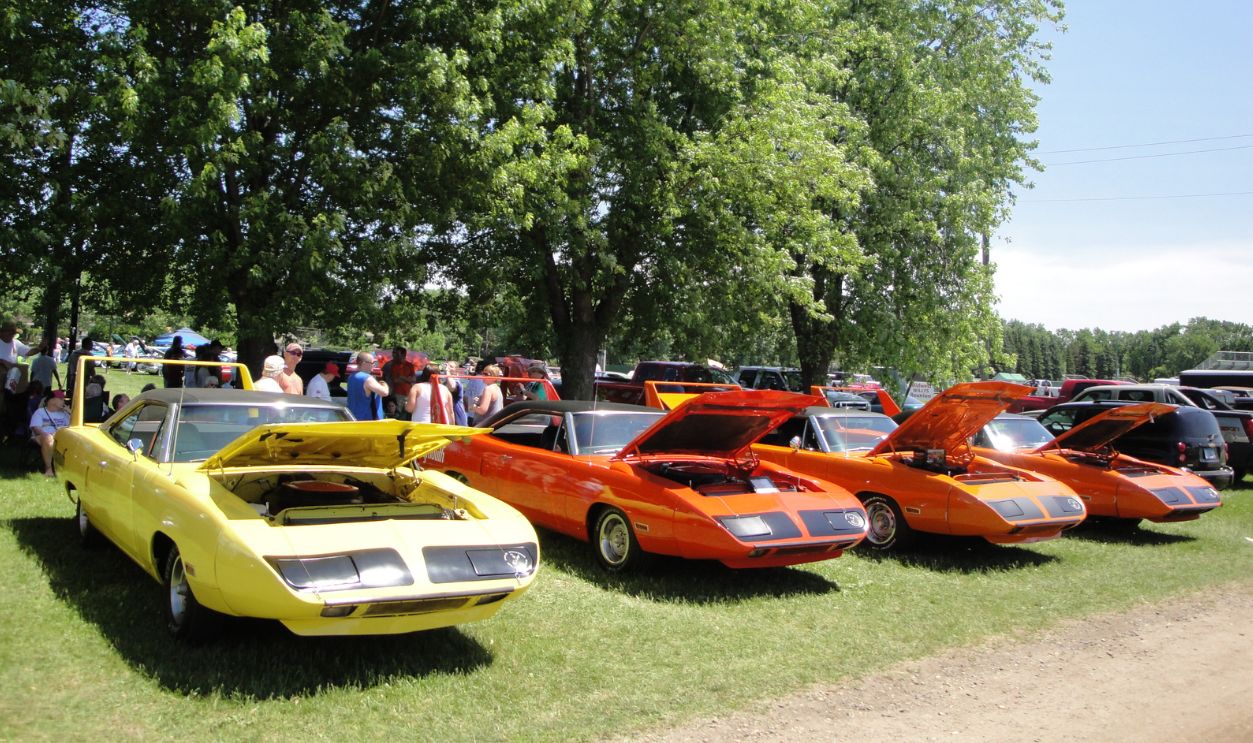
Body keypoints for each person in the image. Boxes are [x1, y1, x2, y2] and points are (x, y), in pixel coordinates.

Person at [30, 390, 69, 476]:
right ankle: (48, 469)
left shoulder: (65, 414)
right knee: (48, 438)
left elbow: (73, 429)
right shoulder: (40, 412)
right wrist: (49, 435)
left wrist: (70, 413)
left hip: (61, 437)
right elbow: (36, 429)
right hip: (42, 437)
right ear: (52, 400)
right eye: (61, 399)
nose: (63, 401)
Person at [347, 351, 390, 420]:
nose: (373, 365)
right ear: (364, 363)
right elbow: (384, 392)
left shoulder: (351, 377)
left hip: (353, 417)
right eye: (372, 363)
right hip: (366, 420)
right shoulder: (367, 378)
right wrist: (385, 385)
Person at [383, 345, 415, 420]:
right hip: (398, 394)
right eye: (393, 353)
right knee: (399, 414)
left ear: (403, 355)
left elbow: (413, 379)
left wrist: (402, 377)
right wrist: (407, 379)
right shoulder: (393, 365)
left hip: (408, 394)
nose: (393, 355)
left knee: (409, 413)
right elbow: (395, 380)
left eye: (396, 353)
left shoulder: (409, 365)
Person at [0, 320, 31, 393]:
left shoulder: (16, 343)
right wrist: (3, 362)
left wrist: (39, 348)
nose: (12, 335)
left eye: (13, 333)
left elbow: (28, 352)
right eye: (10, 333)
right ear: (2, 333)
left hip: (9, 379)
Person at [442, 361, 467, 426]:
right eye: (447, 365)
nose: (448, 367)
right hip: (448, 413)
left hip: (457, 413)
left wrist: (447, 372)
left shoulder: (457, 381)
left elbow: (452, 387)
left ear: (456, 370)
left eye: (451, 366)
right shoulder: (445, 382)